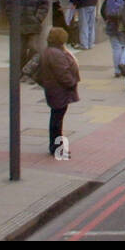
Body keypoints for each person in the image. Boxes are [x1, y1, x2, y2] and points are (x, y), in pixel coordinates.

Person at [37, 27, 80, 157]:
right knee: (57, 121)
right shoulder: (56, 54)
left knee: (56, 118)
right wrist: (72, 83)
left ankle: (55, 146)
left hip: (54, 90)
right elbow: (63, 73)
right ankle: (57, 147)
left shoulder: (50, 51)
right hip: (58, 91)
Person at [17, 0, 50, 80]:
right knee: (20, 50)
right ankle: (21, 72)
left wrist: (38, 18)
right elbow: (9, 5)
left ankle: (32, 72)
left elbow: (45, 5)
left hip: (33, 25)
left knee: (33, 48)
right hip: (20, 25)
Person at [102, 0, 125, 78]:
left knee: (116, 47)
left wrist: (107, 19)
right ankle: (122, 62)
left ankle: (117, 71)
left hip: (111, 25)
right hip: (123, 26)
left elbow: (102, 10)